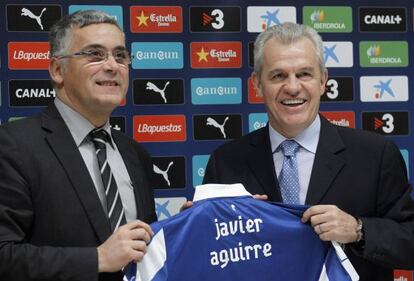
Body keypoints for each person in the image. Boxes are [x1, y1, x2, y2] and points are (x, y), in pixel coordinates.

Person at [203, 22, 414, 281]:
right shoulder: (225, 162)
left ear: (323, 80)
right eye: (278, 76)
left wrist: (359, 230)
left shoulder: (376, 154)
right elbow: (209, 256)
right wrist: (197, 227)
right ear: (257, 84)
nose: (292, 87)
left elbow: (409, 240)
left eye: (304, 74)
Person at [0, 10, 157, 281]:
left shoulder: (135, 153)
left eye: (120, 55)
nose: (112, 65)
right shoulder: (13, 145)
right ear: (57, 70)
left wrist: (183, 226)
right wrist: (97, 259)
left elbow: (143, 249)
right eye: (95, 54)